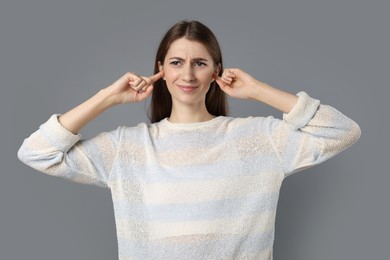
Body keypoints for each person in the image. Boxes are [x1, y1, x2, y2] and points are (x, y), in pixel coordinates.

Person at [18, 20, 361, 260]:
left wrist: (258, 91)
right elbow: (37, 153)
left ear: (215, 71)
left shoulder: (258, 139)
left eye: (199, 63)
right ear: (161, 69)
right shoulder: (128, 148)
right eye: (176, 62)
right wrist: (108, 96)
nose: (187, 74)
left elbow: (343, 131)